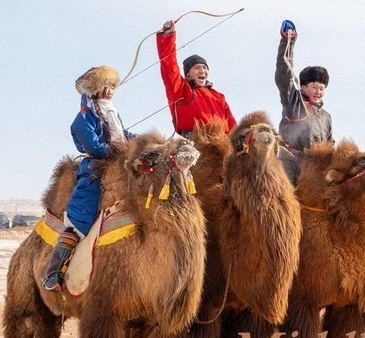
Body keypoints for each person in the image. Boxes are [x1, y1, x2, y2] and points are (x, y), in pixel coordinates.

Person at [43, 66, 135, 293]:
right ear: (96, 89)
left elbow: (124, 134)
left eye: (113, 87)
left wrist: (141, 143)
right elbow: (94, 146)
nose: (110, 91)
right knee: (80, 218)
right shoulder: (82, 119)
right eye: (107, 86)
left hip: (119, 164)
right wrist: (118, 150)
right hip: (95, 168)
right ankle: (53, 273)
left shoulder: (111, 112)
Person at [274, 20, 333, 184]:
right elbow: (283, 75)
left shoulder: (326, 117)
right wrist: (288, 42)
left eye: (322, 88)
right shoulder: (294, 102)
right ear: (304, 87)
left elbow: (329, 143)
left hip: (315, 168)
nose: (318, 92)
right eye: (315, 87)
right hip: (290, 164)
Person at [155, 19, 237, 138]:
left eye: (205, 67)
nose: (202, 71)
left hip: (221, 144)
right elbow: (169, 67)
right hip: (195, 142)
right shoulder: (181, 90)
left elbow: (233, 127)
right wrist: (167, 37)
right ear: (188, 73)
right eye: (197, 68)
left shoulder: (219, 97)